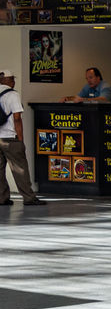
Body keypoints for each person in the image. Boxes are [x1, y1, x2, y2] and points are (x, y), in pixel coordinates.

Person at [0, 69, 47, 206]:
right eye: (11, 79)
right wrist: (21, 140)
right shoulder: (12, 94)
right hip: (10, 138)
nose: (14, 81)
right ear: (4, 80)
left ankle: (2, 198)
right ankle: (29, 198)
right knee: (20, 169)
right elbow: (17, 119)